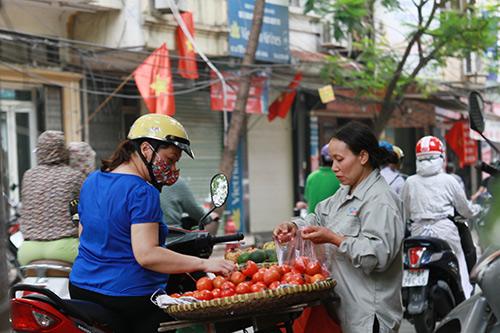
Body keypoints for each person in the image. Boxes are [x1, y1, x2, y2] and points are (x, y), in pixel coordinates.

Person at [69, 114, 235, 333]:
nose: (172, 167)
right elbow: (147, 255)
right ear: (146, 149)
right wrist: (204, 264)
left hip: (81, 288)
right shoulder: (141, 191)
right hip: (128, 296)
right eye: (170, 159)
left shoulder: (92, 180)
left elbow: (85, 234)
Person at [274, 121, 404, 333]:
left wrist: (334, 238)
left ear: (363, 157)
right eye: (333, 159)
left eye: (339, 159)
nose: (334, 167)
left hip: (367, 317)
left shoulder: (381, 201)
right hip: (342, 312)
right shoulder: (345, 192)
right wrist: (293, 226)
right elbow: (317, 218)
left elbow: (377, 256)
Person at [401, 136, 478, 298]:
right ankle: (464, 295)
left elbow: (404, 210)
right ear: (441, 156)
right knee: (458, 259)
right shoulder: (449, 180)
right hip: (445, 229)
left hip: (418, 231)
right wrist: (473, 211)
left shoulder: (410, 182)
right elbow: (464, 209)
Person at [17, 131, 85, 265]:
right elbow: (83, 211)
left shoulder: (28, 176)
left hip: (28, 251)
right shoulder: (74, 176)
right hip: (65, 249)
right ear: (63, 151)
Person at [303, 143, 341, 213]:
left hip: (310, 221)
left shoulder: (311, 176)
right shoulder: (341, 177)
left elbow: (307, 199)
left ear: (321, 158)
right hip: (330, 222)